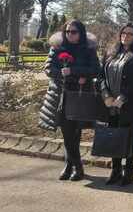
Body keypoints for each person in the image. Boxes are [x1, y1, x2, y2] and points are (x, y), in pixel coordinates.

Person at [39, 20, 100, 181]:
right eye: (67, 31)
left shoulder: (88, 49)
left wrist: (74, 71)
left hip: (80, 95)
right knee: (67, 132)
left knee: (75, 132)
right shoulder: (57, 48)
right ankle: (76, 166)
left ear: (81, 33)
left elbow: (95, 70)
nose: (70, 35)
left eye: (74, 32)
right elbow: (49, 69)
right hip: (61, 96)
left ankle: (71, 165)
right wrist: (65, 74)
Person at [100, 23, 133, 186]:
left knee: (129, 135)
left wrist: (122, 98)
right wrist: (106, 95)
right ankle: (115, 170)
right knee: (113, 134)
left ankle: (129, 171)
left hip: (130, 103)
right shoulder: (111, 52)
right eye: (123, 33)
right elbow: (101, 77)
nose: (125, 36)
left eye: (130, 34)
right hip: (110, 103)